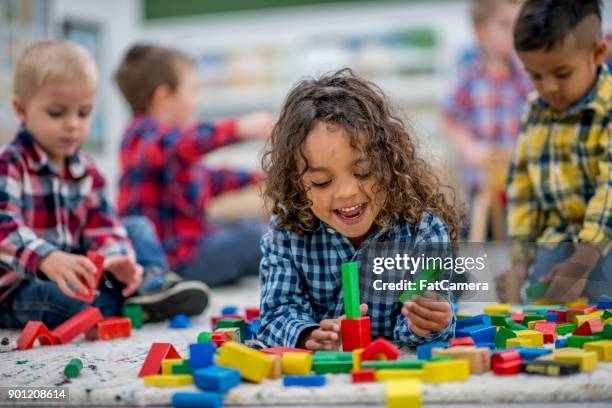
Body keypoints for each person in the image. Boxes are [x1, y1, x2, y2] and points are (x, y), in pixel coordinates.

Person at [0, 40, 208, 328]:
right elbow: (4, 227)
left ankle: (150, 283)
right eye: (57, 113)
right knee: (70, 300)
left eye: (83, 113)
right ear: (21, 111)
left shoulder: (87, 170)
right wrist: (47, 258)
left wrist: (116, 257)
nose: (72, 124)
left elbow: (103, 223)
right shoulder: (11, 163)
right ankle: (124, 303)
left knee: (136, 226)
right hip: (18, 287)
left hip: (77, 271)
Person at [257, 69, 460, 349]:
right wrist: (307, 335)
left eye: (363, 172)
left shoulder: (423, 231)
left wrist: (428, 321)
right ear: (296, 182)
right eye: (322, 181)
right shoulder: (287, 233)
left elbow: (429, 313)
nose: (346, 192)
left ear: (389, 163)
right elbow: (277, 314)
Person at [115, 45, 275, 287]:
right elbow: (183, 144)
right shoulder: (142, 138)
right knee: (256, 236)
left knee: (251, 228)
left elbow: (209, 179)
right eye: (192, 91)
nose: (196, 100)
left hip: (195, 247)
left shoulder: (169, 149)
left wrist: (262, 177)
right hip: (176, 261)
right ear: (163, 97)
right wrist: (239, 128)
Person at [498, 0, 611, 302]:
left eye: (562, 74)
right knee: (540, 295)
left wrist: (585, 256)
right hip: (560, 238)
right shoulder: (535, 112)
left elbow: (609, 190)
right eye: (535, 75)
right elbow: (522, 191)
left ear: (598, 54)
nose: (548, 87)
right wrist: (520, 263)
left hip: (605, 238)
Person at [442, 0, 530, 233]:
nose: (514, 33)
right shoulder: (469, 73)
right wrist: (470, 148)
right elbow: (449, 117)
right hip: (482, 177)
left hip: (517, 175)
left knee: (519, 231)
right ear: (481, 32)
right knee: (482, 232)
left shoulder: (523, 75)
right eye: (505, 25)